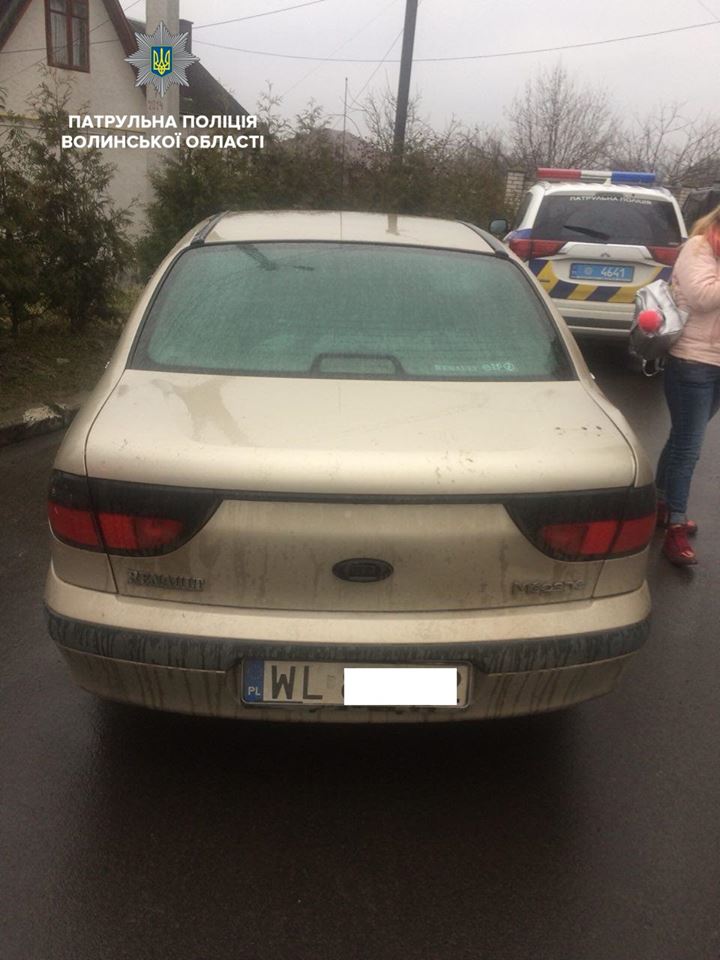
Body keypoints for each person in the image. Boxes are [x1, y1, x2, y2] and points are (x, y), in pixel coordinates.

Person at [655, 203, 720, 566]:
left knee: (680, 439)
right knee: (688, 449)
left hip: (717, 362)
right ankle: (675, 528)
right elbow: (703, 298)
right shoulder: (699, 247)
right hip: (692, 362)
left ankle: (661, 504)